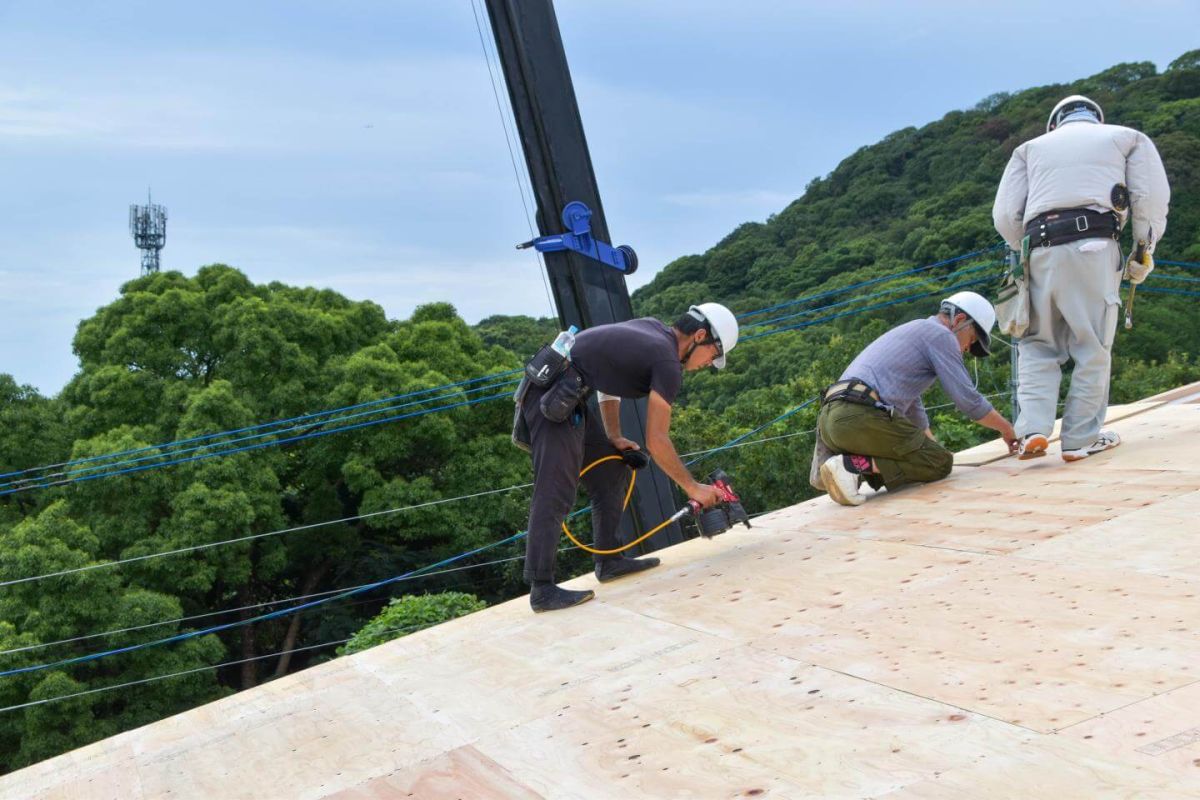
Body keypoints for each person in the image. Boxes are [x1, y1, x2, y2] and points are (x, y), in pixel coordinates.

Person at [516, 303, 738, 612]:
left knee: (611, 468)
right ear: (700, 336)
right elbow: (657, 441)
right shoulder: (667, 361)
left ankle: (609, 560)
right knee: (555, 491)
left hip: (568, 392)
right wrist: (693, 488)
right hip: (551, 396)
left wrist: (615, 437)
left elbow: (608, 382)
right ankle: (541, 588)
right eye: (713, 355)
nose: (708, 364)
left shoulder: (652, 329)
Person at [992, 95, 1170, 461]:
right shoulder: (1127, 138)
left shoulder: (1028, 149)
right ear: (1096, 119)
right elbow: (1148, 197)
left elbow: (1005, 214)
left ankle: (1033, 432)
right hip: (1094, 244)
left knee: (1037, 344)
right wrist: (1142, 249)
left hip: (1037, 249)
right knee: (1091, 344)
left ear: (1054, 124)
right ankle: (1079, 440)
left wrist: (1024, 247)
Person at [816, 291, 1018, 506]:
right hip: (857, 416)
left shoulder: (915, 331)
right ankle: (850, 466)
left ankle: (844, 469)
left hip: (829, 422)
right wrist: (1007, 429)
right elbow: (968, 401)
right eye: (971, 340)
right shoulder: (941, 335)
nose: (967, 349)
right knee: (939, 464)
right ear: (959, 321)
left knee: (934, 456)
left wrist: (930, 447)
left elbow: (913, 407)